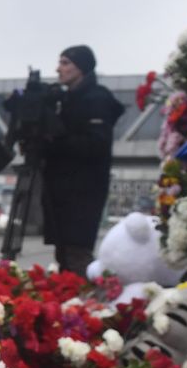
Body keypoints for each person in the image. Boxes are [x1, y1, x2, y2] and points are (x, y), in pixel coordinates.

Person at [39, 45, 125, 276]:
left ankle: (84, 303)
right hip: (61, 189)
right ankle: (71, 300)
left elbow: (95, 144)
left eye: (66, 63)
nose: (59, 69)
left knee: (77, 255)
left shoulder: (96, 99)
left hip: (82, 192)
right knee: (64, 253)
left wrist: (55, 141)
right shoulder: (66, 99)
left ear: (82, 68)